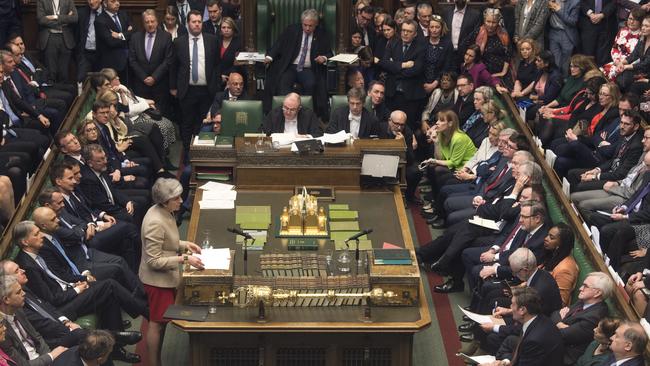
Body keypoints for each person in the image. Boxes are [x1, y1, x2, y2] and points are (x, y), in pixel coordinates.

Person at [139, 178, 204, 366]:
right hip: (157, 282)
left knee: (161, 322)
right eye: (176, 198)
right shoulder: (155, 221)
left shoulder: (165, 211)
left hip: (167, 276)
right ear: (165, 201)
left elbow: (167, 242)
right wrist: (184, 258)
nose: (181, 201)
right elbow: (154, 260)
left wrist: (184, 245)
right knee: (156, 323)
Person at [264, 9, 332, 118]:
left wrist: (323, 58)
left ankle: (306, 116)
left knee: (312, 84)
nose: (307, 28)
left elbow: (329, 53)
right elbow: (278, 44)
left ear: (316, 24)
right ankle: (281, 115)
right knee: (282, 83)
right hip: (290, 67)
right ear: (301, 23)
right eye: (305, 25)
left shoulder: (322, 34)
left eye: (311, 26)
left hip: (308, 68)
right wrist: (269, 57)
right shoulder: (292, 30)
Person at [170, 10, 219, 153]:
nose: (197, 25)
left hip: (207, 89)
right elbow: (173, 66)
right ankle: (187, 153)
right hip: (187, 89)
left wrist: (216, 84)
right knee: (186, 123)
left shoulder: (212, 40)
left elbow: (217, 64)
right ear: (188, 24)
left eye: (199, 22)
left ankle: (203, 151)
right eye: (194, 22)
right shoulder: (179, 42)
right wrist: (173, 87)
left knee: (205, 122)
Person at [482, 287, 564, 366]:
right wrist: (505, 362)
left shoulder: (533, 341)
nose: (510, 307)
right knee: (508, 341)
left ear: (522, 310)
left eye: (513, 304)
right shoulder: (538, 318)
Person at [0, 275, 68, 365]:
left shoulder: (18, 310)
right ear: (6, 299)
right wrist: (51, 356)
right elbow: (22, 364)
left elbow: (37, 337)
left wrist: (50, 358)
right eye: (18, 292)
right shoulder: (2, 330)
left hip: (43, 357)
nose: (24, 293)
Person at [550, 272, 612, 364]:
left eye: (585, 286)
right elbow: (555, 314)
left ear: (597, 293)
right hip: (556, 344)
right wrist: (561, 323)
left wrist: (560, 322)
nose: (580, 288)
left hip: (566, 356)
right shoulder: (583, 301)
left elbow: (563, 335)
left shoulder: (596, 316)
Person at [378, 19, 425, 132]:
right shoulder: (393, 43)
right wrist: (403, 65)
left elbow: (416, 70)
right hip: (392, 93)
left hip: (410, 95)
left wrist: (394, 67)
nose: (405, 33)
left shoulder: (421, 47)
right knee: (390, 126)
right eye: (403, 30)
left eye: (409, 31)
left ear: (415, 34)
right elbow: (384, 64)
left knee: (408, 128)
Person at [128, 9, 174, 118]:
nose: (150, 24)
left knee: (161, 117)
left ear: (157, 22)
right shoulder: (135, 38)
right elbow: (132, 60)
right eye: (147, 22)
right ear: (143, 23)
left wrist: (154, 77)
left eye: (152, 21)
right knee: (143, 118)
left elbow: (168, 60)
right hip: (141, 85)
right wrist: (144, 77)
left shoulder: (166, 37)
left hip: (160, 85)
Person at [36, 0, 77, 83]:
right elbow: (41, 19)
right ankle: (52, 94)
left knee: (64, 74)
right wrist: (64, 20)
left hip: (65, 39)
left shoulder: (68, 1)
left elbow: (74, 18)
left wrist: (56, 17)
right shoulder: (42, 1)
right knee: (51, 73)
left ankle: (64, 95)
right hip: (49, 38)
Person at [541, 223, 579, 306]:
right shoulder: (552, 255)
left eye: (551, 238)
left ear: (561, 244)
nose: (546, 239)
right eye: (547, 235)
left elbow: (560, 302)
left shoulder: (565, 270)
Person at [94, 0, 132, 83]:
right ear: (105, 3)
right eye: (113, 1)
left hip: (128, 61)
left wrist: (119, 35)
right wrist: (127, 35)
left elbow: (132, 33)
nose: (117, 3)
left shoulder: (124, 15)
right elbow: (110, 42)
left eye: (118, 0)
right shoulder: (100, 20)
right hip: (112, 64)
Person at [601, 8, 644, 81]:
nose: (631, 21)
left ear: (641, 22)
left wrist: (623, 64)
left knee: (613, 76)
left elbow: (639, 57)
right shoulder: (623, 30)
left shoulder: (643, 36)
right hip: (617, 63)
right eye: (630, 18)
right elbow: (615, 48)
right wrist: (617, 61)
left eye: (635, 20)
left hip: (631, 67)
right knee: (599, 73)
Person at [442, 0, 481, 66]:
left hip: (466, 55)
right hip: (447, 53)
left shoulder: (475, 14)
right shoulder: (446, 12)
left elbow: (475, 35)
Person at [547, 0, 580, 76]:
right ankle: (556, 81)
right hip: (553, 32)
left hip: (566, 34)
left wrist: (558, 10)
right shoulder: (551, 1)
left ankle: (564, 81)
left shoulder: (575, 2)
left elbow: (572, 21)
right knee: (555, 61)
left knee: (566, 63)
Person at [423, 15, 453, 95]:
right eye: (432, 27)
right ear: (428, 28)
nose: (434, 30)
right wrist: (424, 84)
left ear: (442, 28)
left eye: (437, 27)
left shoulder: (447, 44)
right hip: (422, 84)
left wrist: (434, 84)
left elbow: (447, 67)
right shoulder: (423, 42)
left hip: (439, 84)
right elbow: (419, 64)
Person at [579, 0, 616, 66]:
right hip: (588, 23)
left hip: (606, 25)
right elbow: (580, 2)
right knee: (588, 54)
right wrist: (590, 14)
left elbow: (614, 2)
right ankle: (588, 74)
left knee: (603, 56)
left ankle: (601, 74)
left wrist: (602, 14)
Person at [75, 0, 102, 84]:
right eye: (89, 0)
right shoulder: (81, 13)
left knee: (101, 82)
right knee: (81, 80)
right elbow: (76, 34)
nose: (91, 2)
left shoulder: (107, 13)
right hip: (85, 54)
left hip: (102, 54)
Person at [215, 17, 243, 90]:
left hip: (231, 77)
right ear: (220, 29)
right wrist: (219, 76)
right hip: (217, 78)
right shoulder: (216, 41)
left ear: (233, 29)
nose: (226, 30)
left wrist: (226, 75)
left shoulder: (238, 43)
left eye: (229, 27)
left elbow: (237, 65)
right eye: (223, 27)